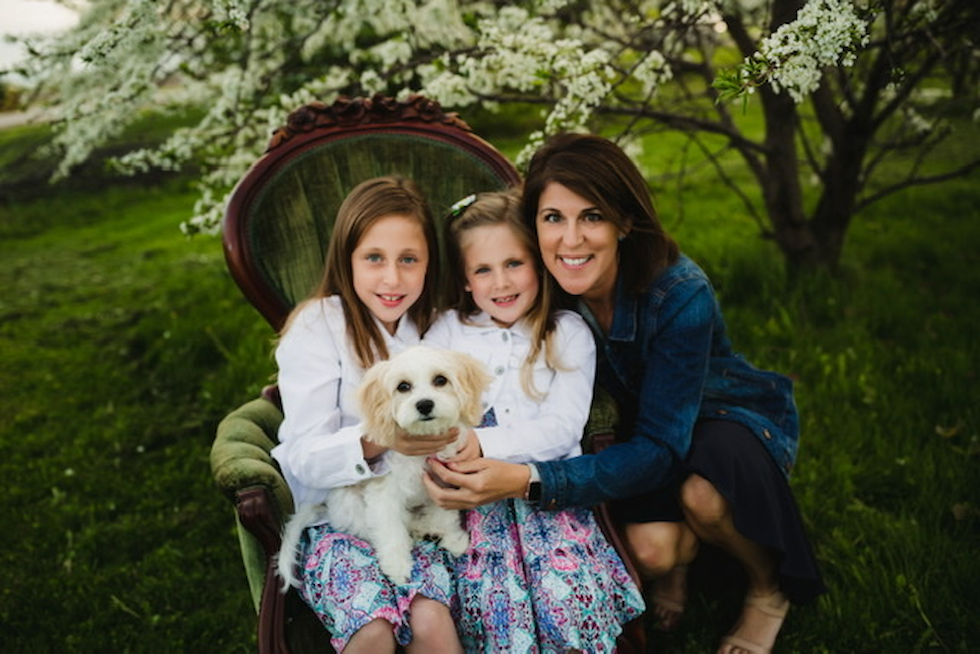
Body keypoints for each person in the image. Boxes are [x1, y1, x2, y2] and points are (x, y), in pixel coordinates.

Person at [424, 134, 826, 654]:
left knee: (702, 497)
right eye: (553, 218)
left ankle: (767, 588)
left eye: (591, 216)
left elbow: (661, 444)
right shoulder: (540, 289)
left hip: (710, 415)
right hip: (632, 426)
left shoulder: (679, 294)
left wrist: (529, 479)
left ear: (624, 221)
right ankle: (683, 562)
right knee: (653, 552)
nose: (570, 240)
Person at [424, 189, 644, 652]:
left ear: (538, 264)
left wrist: (484, 444)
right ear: (465, 279)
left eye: (514, 264)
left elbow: (562, 429)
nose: (501, 283)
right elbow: (422, 401)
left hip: (544, 495)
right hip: (470, 509)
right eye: (483, 270)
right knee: (484, 608)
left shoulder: (564, 332)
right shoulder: (446, 331)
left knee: (564, 603)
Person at [271, 176, 464, 653]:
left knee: (433, 623)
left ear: (428, 264)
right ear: (347, 260)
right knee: (372, 631)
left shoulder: (439, 328)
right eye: (374, 258)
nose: (392, 279)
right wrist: (379, 439)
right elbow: (301, 458)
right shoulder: (320, 326)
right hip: (333, 521)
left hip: (417, 513)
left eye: (409, 260)